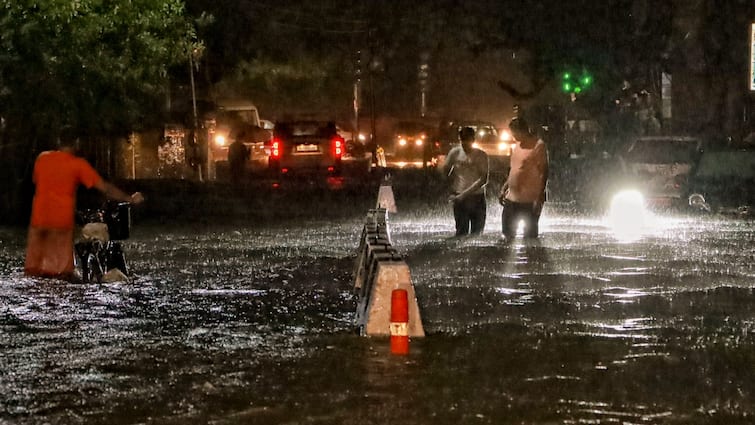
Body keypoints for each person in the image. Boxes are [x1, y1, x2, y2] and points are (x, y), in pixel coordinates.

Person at [25, 127, 144, 281]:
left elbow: (36, 180)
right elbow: (105, 188)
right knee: (62, 274)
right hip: (60, 222)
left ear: (59, 141)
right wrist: (130, 198)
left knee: (34, 273)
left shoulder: (41, 159)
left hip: (38, 221)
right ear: (77, 143)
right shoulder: (78, 164)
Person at [499, 117, 549, 241]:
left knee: (530, 237)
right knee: (507, 234)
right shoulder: (516, 146)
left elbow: (544, 171)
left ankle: (530, 259)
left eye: (514, 132)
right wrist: (504, 188)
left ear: (523, 130)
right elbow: (514, 169)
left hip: (529, 200)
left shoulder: (538, 145)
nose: (513, 136)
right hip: (512, 198)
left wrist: (539, 197)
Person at [442, 126, 489, 236]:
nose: (465, 144)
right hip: (459, 197)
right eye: (462, 141)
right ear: (459, 140)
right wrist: (450, 190)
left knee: (477, 234)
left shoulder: (481, 155)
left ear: (473, 140)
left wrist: (463, 194)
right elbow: (445, 171)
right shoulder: (455, 153)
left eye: (467, 141)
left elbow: (484, 179)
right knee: (460, 232)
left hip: (477, 197)